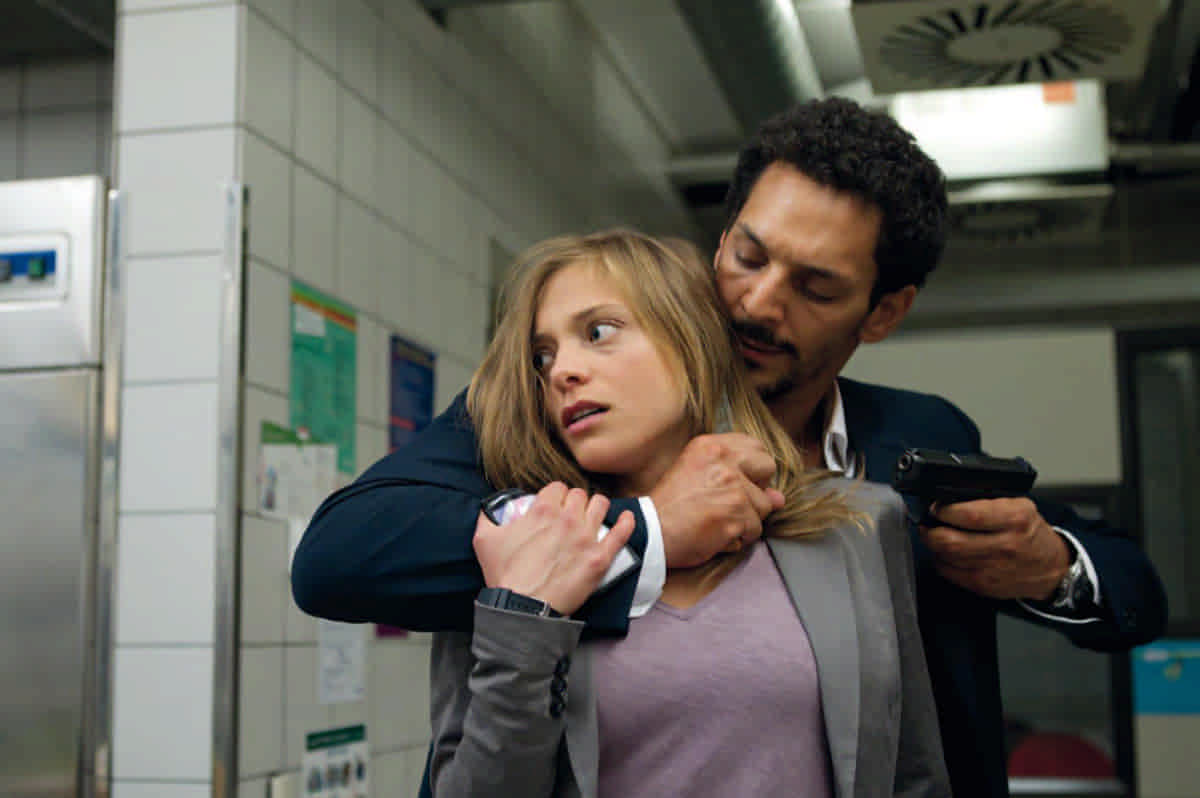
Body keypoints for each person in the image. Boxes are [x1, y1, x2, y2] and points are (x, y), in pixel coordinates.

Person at [291, 98, 1167, 798]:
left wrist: (1049, 566)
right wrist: (648, 530)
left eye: (814, 286)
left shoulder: (915, 442)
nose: (755, 303)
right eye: (748, 256)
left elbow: (1131, 585)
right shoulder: (557, 428)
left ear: (884, 312)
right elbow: (337, 558)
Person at [428, 229, 948, 796]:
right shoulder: (516, 546)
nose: (560, 372)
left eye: (598, 332)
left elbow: (911, 775)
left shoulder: (859, 527)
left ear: (693, 340)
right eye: (542, 357)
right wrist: (525, 621)